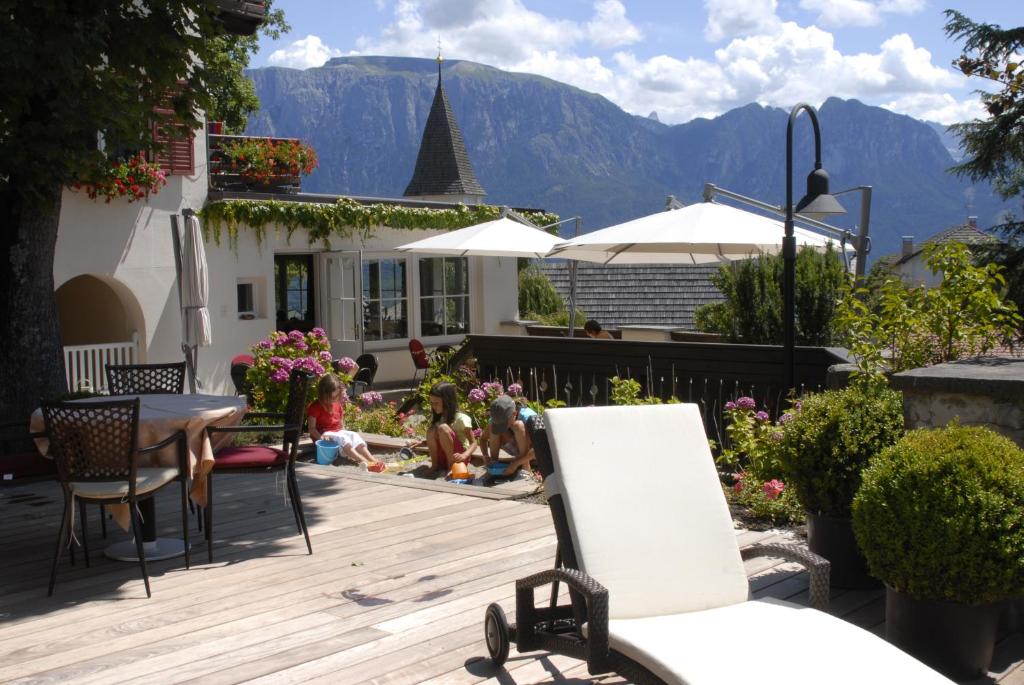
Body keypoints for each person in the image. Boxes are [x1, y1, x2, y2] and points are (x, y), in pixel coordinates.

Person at [307, 373, 386, 473]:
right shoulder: (315, 407)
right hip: (324, 436)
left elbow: (341, 426)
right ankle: (364, 462)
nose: (334, 400)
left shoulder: (337, 405)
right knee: (343, 438)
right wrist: (321, 438)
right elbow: (312, 428)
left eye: (336, 397)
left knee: (354, 435)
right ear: (323, 394)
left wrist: (348, 437)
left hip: (337, 433)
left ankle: (372, 460)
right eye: (331, 397)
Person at [480, 394, 538, 477]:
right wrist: (485, 455)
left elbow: (539, 448)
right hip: (517, 451)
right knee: (493, 427)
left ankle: (526, 468)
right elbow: (482, 439)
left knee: (518, 425)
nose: (501, 427)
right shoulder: (496, 418)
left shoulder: (529, 417)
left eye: (503, 424)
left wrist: (515, 464)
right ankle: (494, 464)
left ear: (514, 414)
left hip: (534, 454)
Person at [424, 382, 476, 473]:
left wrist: (464, 455)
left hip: (458, 458)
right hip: (443, 456)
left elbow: (474, 443)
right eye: (431, 403)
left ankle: (451, 467)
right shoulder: (438, 416)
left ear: (447, 401)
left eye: (436, 403)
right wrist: (424, 442)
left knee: (443, 428)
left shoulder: (461, 419)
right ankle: (435, 465)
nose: (433, 406)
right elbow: (440, 439)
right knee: (431, 430)